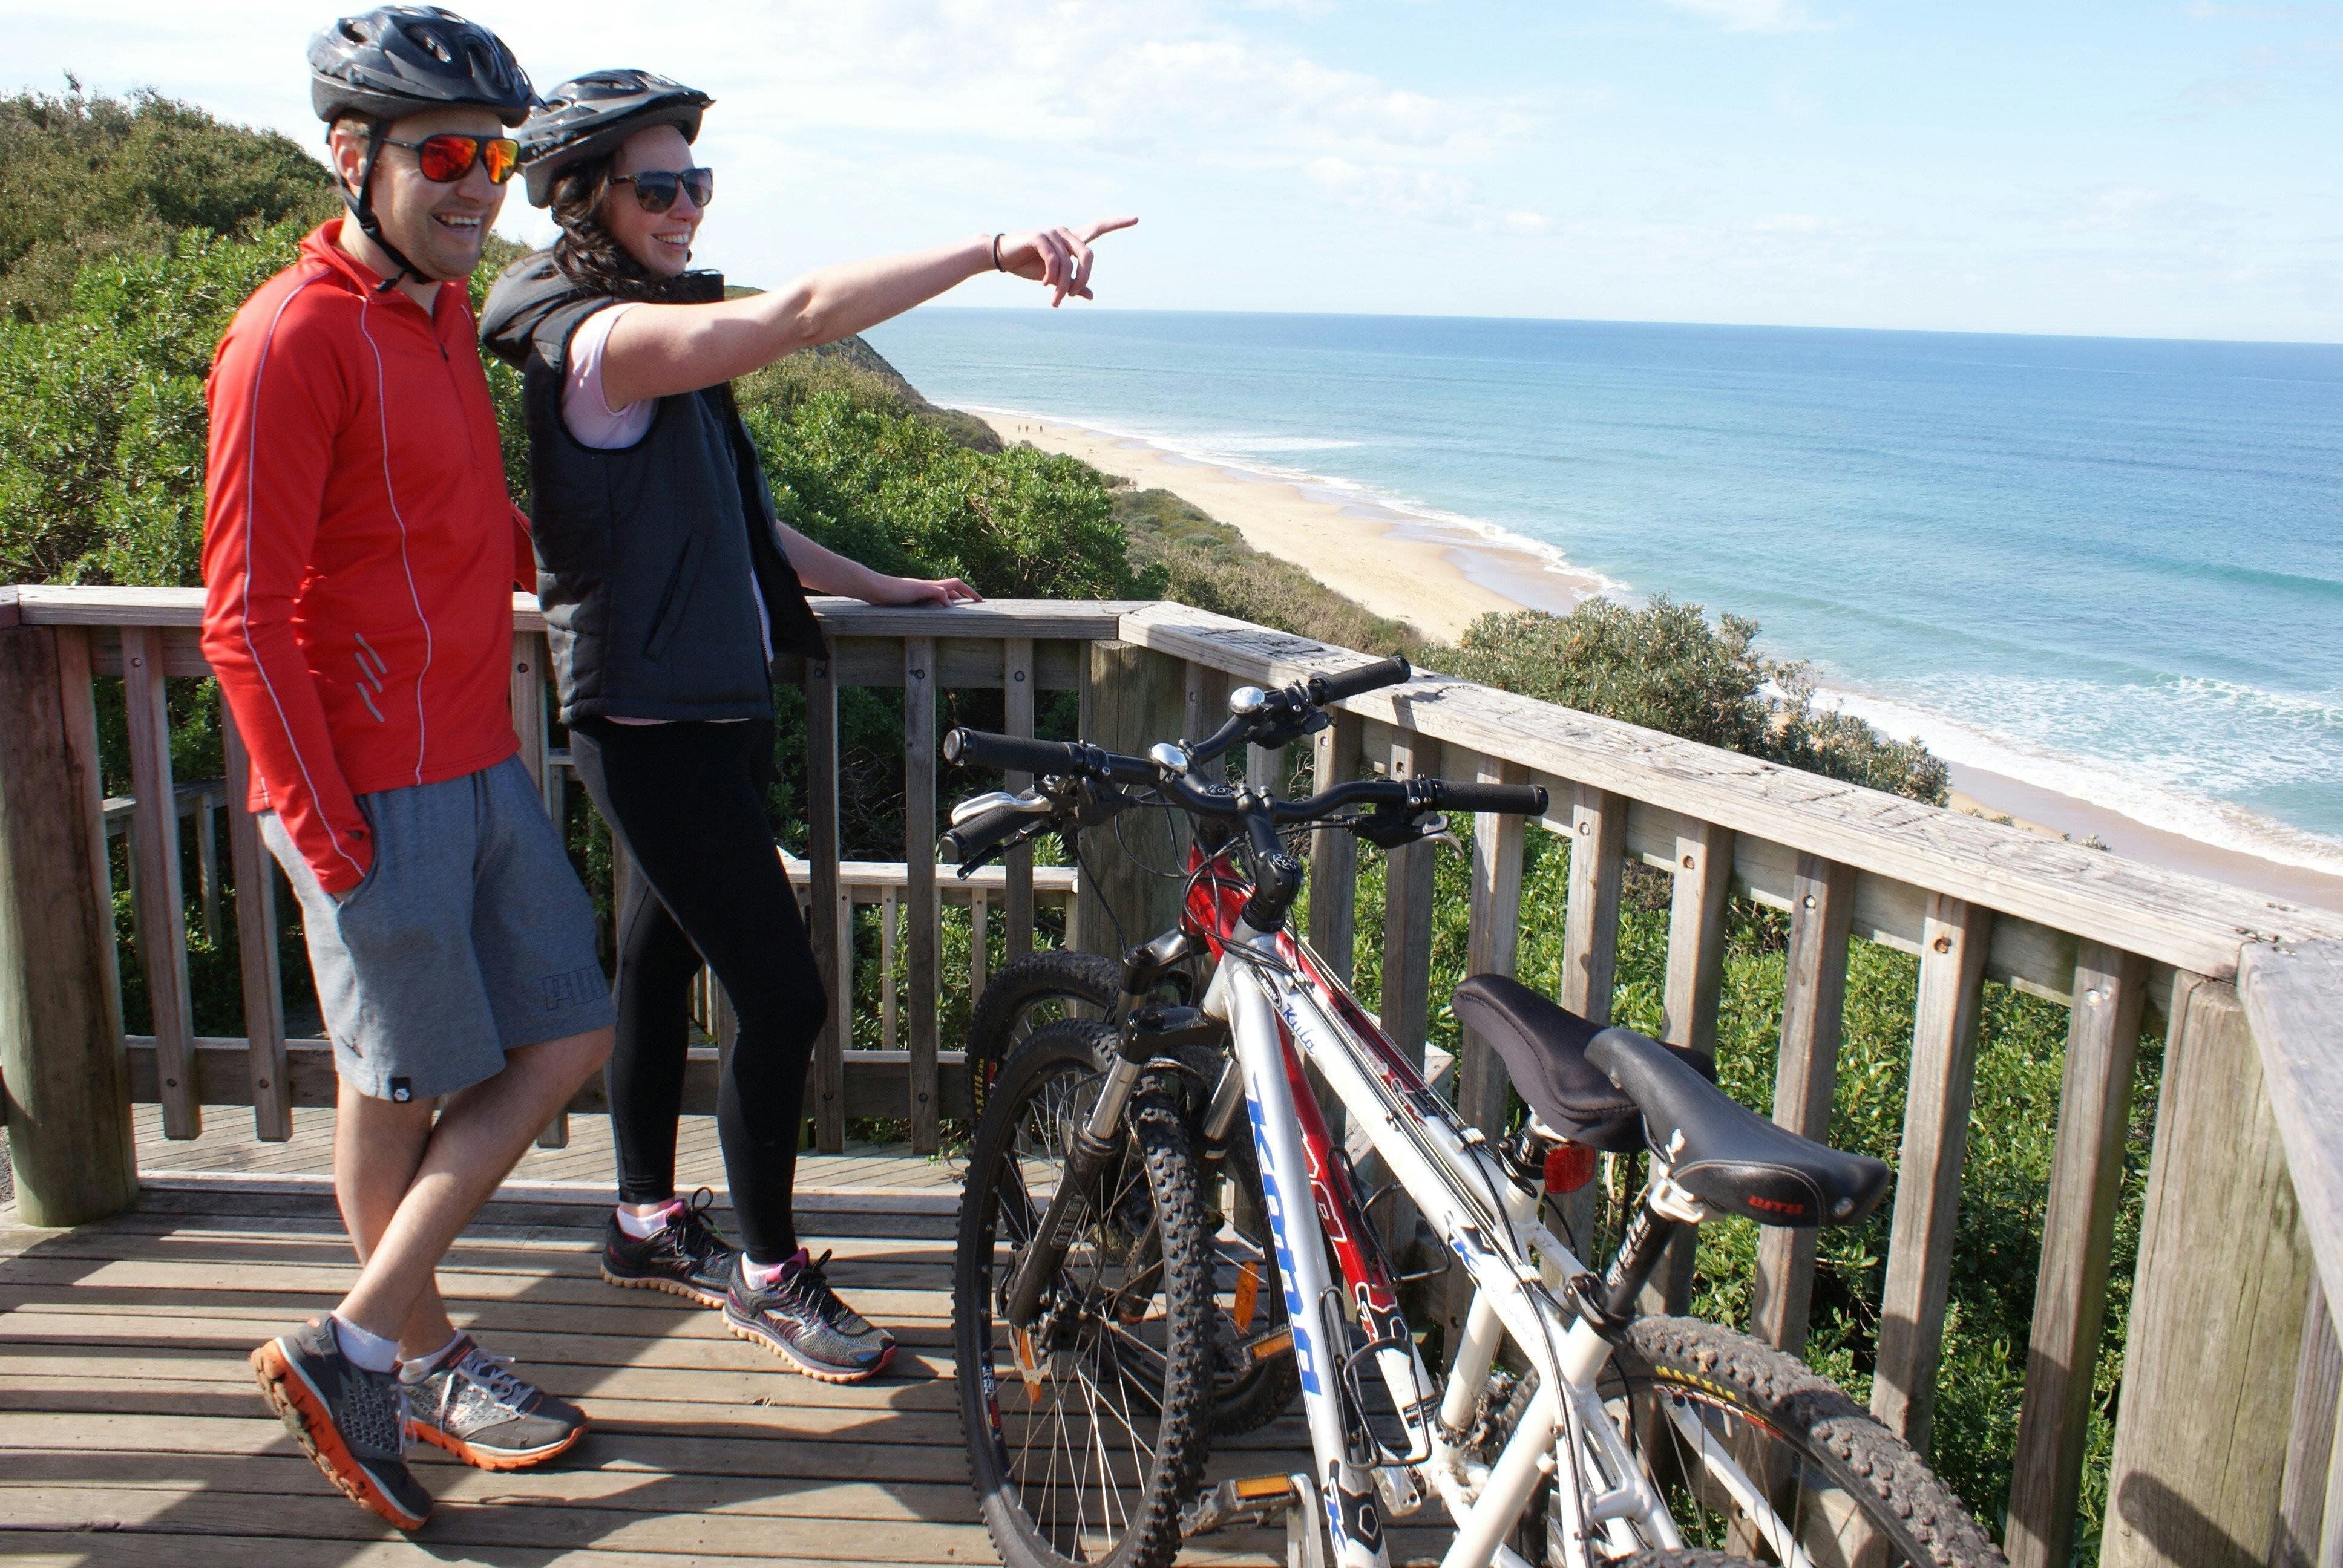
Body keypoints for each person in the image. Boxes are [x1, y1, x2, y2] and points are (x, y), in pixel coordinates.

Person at [479, 69, 1130, 1383]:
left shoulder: (644, 332)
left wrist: (876, 585)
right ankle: (769, 1273)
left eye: (697, 182)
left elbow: (729, 515)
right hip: (647, 719)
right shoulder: (600, 343)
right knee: (783, 994)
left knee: (658, 956)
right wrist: (990, 247)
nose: (685, 206)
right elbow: (803, 313)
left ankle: (643, 1220)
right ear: (584, 198)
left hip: (697, 704)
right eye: (657, 187)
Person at [202, 7, 618, 1530]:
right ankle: (415, 1359)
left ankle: (361, 1342)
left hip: (478, 754)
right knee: (394, 1088)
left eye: (495, 160)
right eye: (444, 157)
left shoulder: (439, 319)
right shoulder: (289, 338)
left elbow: (467, 524)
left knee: (567, 1029)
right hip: (366, 783)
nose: (476, 188)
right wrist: (328, 833)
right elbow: (242, 616)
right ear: (351, 154)